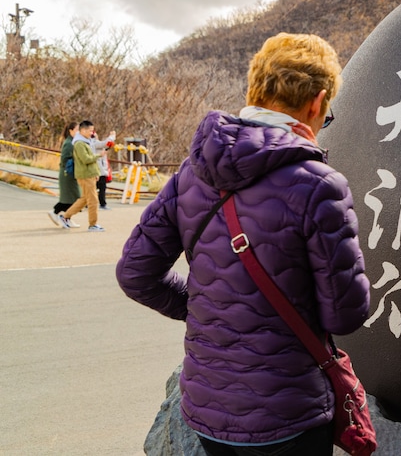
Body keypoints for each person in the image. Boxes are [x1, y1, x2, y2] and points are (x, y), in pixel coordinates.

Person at [116, 33, 370, 454]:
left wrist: (205, 309)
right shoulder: (319, 186)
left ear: (255, 90)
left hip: (207, 409)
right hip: (289, 413)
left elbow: (135, 273)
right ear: (316, 102)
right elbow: (344, 313)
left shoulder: (190, 174)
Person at [60, 120, 104, 232]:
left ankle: (65, 216)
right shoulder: (79, 144)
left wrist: (96, 173)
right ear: (83, 130)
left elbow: (90, 160)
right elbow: (86, 159)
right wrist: (99, 155)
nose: (92, 133)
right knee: (93, 200)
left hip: (89, 174)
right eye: (90, 130)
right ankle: (93, 224)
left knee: (85, 199)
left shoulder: (85, 142)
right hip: (85, 175)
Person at [48, 122, 82, 228]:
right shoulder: (69, 143)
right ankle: (56, 212)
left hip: (71, 173)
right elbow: (65, 159)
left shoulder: (73, 142)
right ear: (71, 131)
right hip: (68, 173)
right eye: (77, 130)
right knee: (70, 198)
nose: (78, 132)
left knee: (72, 198)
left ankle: (66, 218)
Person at [91, 129, 116, 210]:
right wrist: (112, 136)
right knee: (101, 187)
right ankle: (101, 203)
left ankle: (94, 203)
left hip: (99, 169)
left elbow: (107, 145)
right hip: (99, 170)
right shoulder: (94, 143)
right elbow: (105, 143)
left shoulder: (93, 144)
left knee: (96, 188)